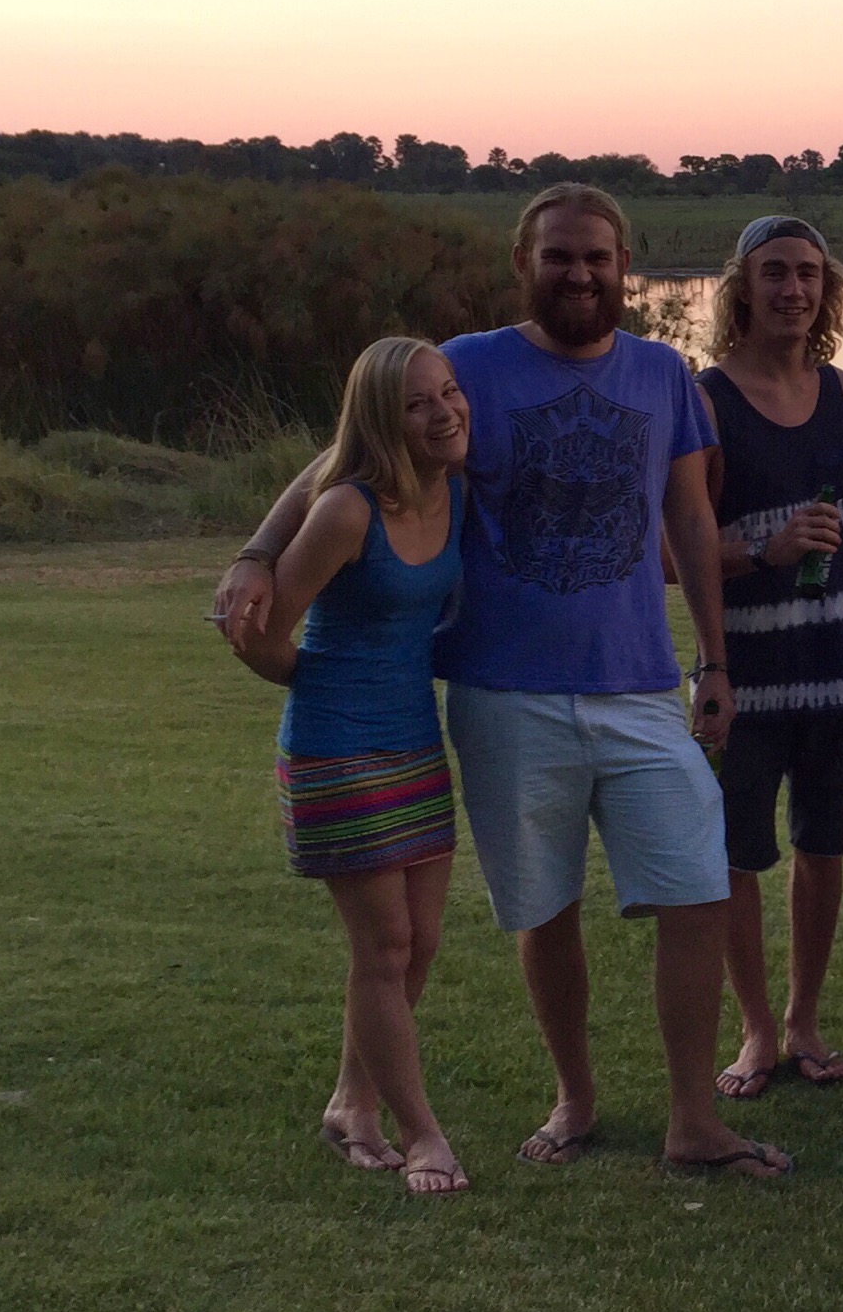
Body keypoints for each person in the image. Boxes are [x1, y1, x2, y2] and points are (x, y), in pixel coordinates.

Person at [214, 183, 790, 1182]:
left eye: (599, 257)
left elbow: (692, 520)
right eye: (560, 255)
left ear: (625, 265)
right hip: (502, 690)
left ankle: (693, 1122)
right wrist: (260, 551)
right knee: (544, 908)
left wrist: (716, 659)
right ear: (523, 262)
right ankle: (574, 1100)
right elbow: (345, 456)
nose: (582, 274)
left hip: (638, 686)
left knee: (698, 891)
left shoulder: (663, 373)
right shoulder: (469, 365)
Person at [225, 336, 471, 1200]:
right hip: (337, 746)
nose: (443, 412)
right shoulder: (346, 512)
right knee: (384, 945)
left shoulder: (456, 488)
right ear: (380, 420)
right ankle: (422, 1132)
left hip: (415, 741)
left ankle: (350, 1103)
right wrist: (321, 684)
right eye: (416, 403)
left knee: (419, 944)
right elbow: (259, 634)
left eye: (449, 392)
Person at [700, 214, 843, 1102]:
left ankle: (803, 1020)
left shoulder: (841, 390)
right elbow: (672, 550)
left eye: (808, 273)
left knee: (822, 846)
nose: (792, 289)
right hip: (747, 678)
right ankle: (757, 1030)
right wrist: (762, 553)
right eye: (774, 272)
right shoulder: (707, 400)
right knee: (737, 857)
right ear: (743, 286)